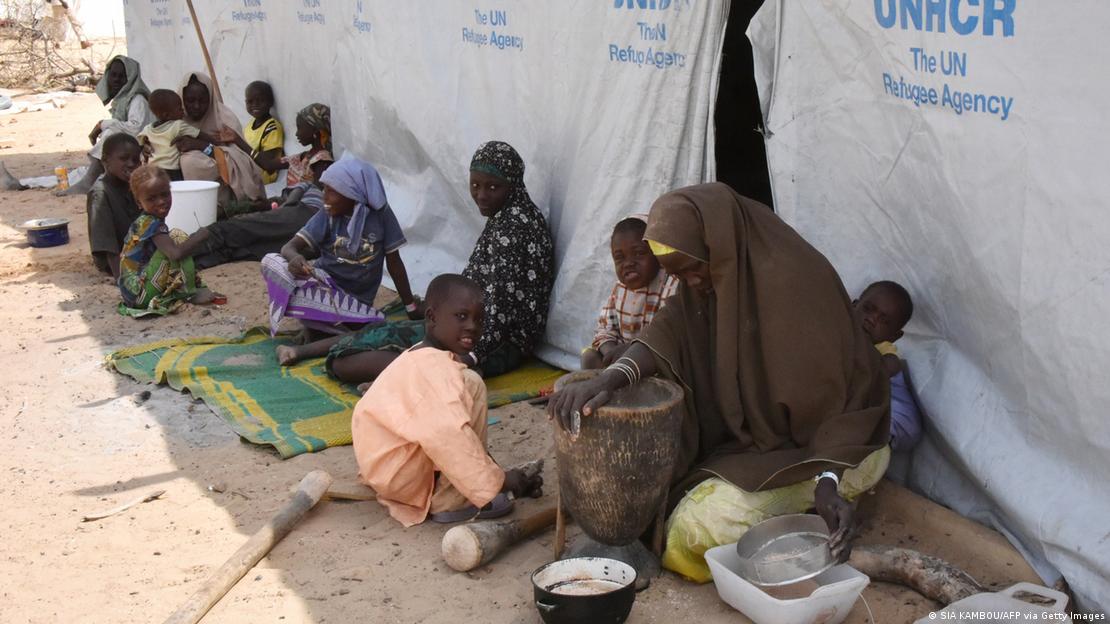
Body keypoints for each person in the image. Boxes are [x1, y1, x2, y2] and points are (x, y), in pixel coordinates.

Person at [549, 183, 891, 583]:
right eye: (678, 275)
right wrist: (610, 377)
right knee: (655, 496)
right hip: (768, 442)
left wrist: (829, 481)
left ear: (720, 244)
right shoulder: (713, 278)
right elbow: (670, 330)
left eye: (693, 269)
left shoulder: (792, 283)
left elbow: (840, 405)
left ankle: (829, 502)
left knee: (693, 531)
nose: (690, 283)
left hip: (840, 447)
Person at [277, 140, 555, 388]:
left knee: (347, 360)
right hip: (481, 330)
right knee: (373, 337)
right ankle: (406, 373)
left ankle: (409, 378)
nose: (481, 195)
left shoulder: (513, 230)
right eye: (475, 185)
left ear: (513, 184)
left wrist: (468, 358)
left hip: (495, 342)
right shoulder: (511, 216)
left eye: (493, 187)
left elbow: (499, 311)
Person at [351, 274, 544, 527]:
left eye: (479, 319)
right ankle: (453, 502)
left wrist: (490, 469)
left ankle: (471, 482)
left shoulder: (418, 354)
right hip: (400, 477)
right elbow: (449, 435)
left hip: (382, 468)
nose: (472, 327)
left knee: (469, 383)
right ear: (431, 317)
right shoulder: (437, 371)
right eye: (461, 316)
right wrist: (501, 481)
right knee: (465, 399)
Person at [262, 155, 418, 337]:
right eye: (324, 189)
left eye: (332, 191)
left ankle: (329, 326)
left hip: (356, 302)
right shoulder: (327, 214)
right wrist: (295, 258)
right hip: (324, 287)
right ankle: (329, 327)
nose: (324, 197)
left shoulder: (381, 216)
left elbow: (394, 263)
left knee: (329, 309)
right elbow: (288, 247)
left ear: (353, 194)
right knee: (270, 261)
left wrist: (411, 307)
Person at [118, 165, 222, 316]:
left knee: (174, 239)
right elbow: (175, 254)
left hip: (131, 293)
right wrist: (202, 234)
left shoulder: (143, 222)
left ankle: (190, 288)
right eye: (152, 198)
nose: (161, 202)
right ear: (139, 203)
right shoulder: (153, 225)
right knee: (178, 238)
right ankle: (190, 292)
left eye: (165, 194)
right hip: (139, 295)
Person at [581, 215, 679, 370]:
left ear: (655, 252)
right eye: (619, 258)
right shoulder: (620, 288)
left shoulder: (670, 283)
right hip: (620, 359)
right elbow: (605, 328)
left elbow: (668, 335)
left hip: (654, 359)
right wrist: (610, 352)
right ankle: (608, 388)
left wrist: (631, 352)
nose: (629, 264)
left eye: (639, 253)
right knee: (589, 357)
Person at [58, 56, 152, 196]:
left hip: (145, 149)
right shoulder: (123, 99)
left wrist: (103, 125)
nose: (116, 80)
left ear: (130, 78)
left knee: (110, 135)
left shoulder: (137, 99)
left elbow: (135, 129)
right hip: (130, 148)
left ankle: (88, 182)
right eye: (113, 75)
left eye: (122, 76)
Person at [173, 72, 265, 215]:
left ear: (210, 99)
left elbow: (241, 159)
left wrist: (203, 146)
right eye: (190, 100)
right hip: (179, 202)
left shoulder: (224, 119)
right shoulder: (172, 121)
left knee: (190, 160)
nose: (196, 106)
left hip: (224, 200)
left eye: (203, 101)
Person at [854, 280, 922, 452]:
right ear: (853, 305)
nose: (871, 319)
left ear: (894, 336)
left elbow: (883, 368)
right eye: (868, 309)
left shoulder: (884, 353)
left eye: (884, 321)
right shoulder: (842, 336)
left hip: (899, 424)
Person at [87, 133, 141, 277]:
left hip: (136, 247)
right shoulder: (101, 193)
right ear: (105, 161)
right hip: (116, 260)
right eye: (123, 159)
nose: (131, 164)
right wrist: (122, 279)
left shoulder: (133, 183)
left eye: (135, 160)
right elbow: (107, 242)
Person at [137, 90, 207, 181]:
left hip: (153, 169)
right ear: (167, 115)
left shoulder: (148, 129)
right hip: (172, 170)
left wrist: (143, 146)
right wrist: (216, 141)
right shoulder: (178, 125)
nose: (183, 111)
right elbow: (200, 135)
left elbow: (139, 142)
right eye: (180, 109)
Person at [241, 81, 284, 184]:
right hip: (248, 171)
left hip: (261, 177)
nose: (255, 105)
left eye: (260, 101)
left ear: (270, 102)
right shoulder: (249, 126)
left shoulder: (271, 127)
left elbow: (267, 161)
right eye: (250, 102)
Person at [283, 103, 333, 188]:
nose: (297, 133)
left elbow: (316, 195)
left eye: (300, 128)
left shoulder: (322, 161)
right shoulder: (307, 155)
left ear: (315, 129)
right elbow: (270, 164)